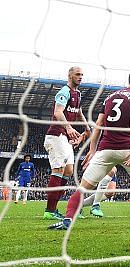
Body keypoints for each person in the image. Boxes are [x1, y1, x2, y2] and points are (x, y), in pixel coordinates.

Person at [48, 69, 130, 230]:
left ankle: (68, 220)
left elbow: (98, 125)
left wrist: (92, 149)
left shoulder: (110, 97)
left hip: (105, 149)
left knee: (82, 188)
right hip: (127, 148)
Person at [43, 66, 91, 220]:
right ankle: (49, 211)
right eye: (77, 74)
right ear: (70, 75)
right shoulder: (64, 91)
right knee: (59, 169)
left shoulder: (78, 94)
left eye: (82, 75)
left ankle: (54, 209)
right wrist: (69, 127)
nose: (80, 77)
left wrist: (87, 127)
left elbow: (79, 113)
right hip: (56, 134)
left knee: (69, 171)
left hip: (64, 137)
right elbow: (58, 112)